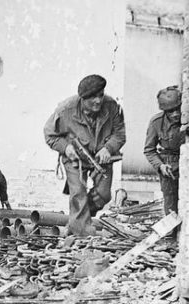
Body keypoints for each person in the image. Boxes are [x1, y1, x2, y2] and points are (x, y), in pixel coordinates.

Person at [43, 74, 126, 236]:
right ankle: (82, 237)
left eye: (100, 95)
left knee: (103, 195)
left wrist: (108, 148)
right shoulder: (65, 110)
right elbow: (49, 135)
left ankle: (76, 220)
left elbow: (120, 134)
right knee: (78, 194)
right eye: (92, 98)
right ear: (82, 98)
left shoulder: (111, 106)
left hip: (102, 158)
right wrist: (66, 148)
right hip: (75, 159)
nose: (98, 101)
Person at [143, 85, 184, 222]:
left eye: (177, 109)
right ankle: (171, 235)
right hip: (169, 165)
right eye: (170, 111)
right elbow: (149, 150)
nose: (175, 114)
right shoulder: (156, 123)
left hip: (187, 161)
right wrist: (160, 166)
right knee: (170, 201)